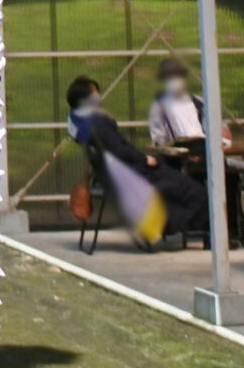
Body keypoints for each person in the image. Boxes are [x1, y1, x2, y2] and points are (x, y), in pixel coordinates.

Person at [68, 76, 209, 242]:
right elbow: (120, 149)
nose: (98, 97)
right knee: (193, 189)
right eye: (94, 94)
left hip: (118, 174)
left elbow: (117, 149)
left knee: (170, 168)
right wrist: (143, 160)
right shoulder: (97, 124)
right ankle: (191, 227)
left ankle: (181, 224)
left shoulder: (80, 123)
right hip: (135, 174)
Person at [145, 57, 230, 151]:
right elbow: (159, 140)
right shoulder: (159, 107)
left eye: (177, 76)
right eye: (170, 76)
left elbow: (222, 129)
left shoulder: (199, 102)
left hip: (205, 148)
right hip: (181, 152)